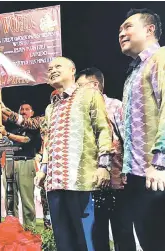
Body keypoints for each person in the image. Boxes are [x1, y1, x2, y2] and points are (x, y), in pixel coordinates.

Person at [0, 57, 113, 251]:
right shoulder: (51, 108)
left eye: (58, 66)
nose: (52, 71)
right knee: (63, 239)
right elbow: (48, 142)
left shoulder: (89, 95)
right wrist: (43, 169)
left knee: (87, 238)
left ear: (72, 70)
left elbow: (103, 129)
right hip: (55, 182)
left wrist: (104, 165)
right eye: (50, 68)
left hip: (81, 181)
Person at [119, 8, 165, 251]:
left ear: (150, 29)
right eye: (120, 30)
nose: (121, 33)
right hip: (139, 176)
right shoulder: (134, 72)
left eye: (128, 27)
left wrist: (160, 162)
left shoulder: (161, 58)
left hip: (159, 173)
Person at [76, 67, 136, 251]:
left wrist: (127, 172)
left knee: (122, 231)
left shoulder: (114, 106)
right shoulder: (80, 111)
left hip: (118, 181)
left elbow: (129, 139)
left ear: (95, 85)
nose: (76, 91)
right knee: (97, 232)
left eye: (80, 86)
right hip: (92, 183)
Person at [0, 102, 41, 227]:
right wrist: (0, 107)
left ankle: (29, 229)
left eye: (27, 109)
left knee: (27, 199)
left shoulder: (34, 127)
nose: (24, 111)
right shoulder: (13, 126)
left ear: (32, 113)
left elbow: (25, 140)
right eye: (21, 109)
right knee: (10, 199)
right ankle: (12, 227)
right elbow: (5, 117)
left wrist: (7, 134)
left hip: (26, 162)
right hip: (10, 163)